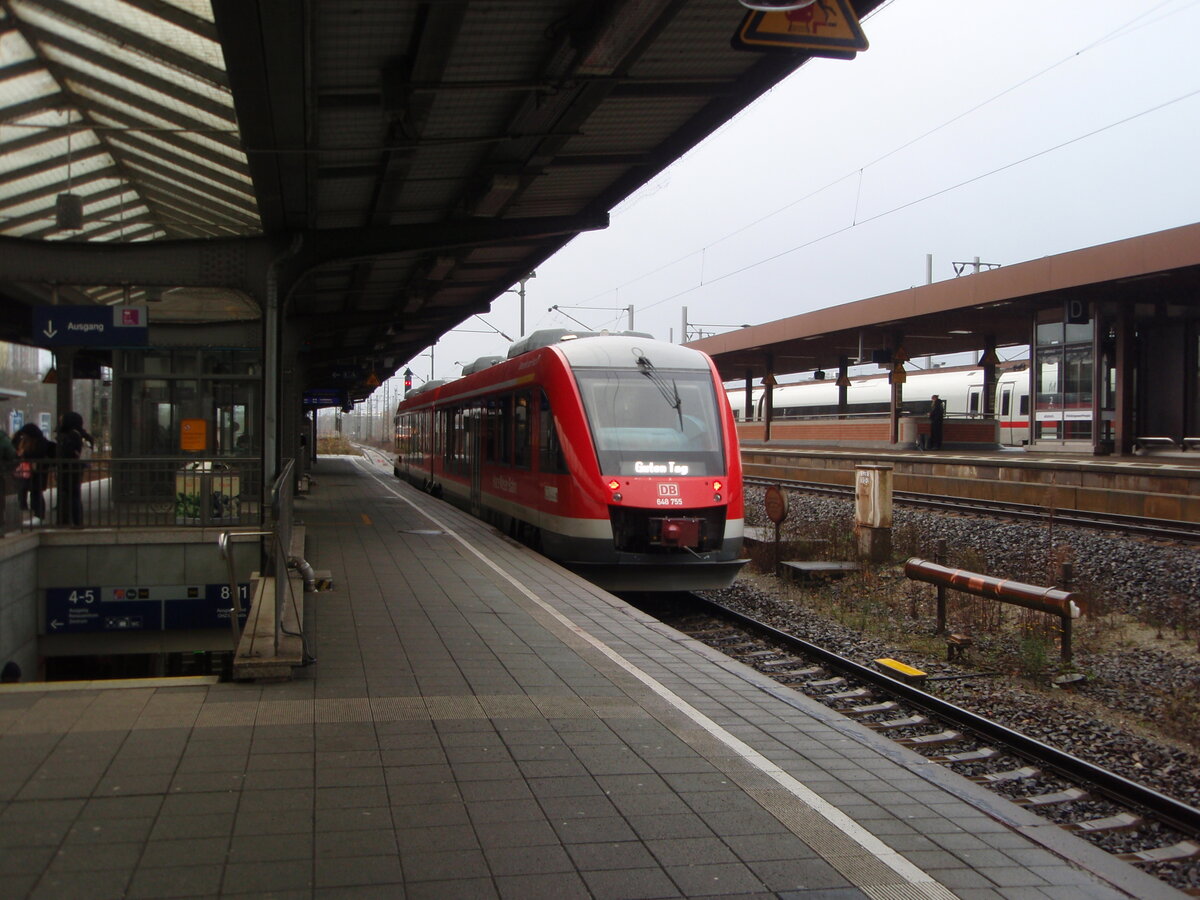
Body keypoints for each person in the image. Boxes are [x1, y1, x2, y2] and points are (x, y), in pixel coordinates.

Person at [55, 411, 94, 527]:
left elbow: (66, 452)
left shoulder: (72, 436)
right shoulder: (80, 434)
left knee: (72, 496)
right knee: (74, 495)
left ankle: (75, 521)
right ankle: (76, 521)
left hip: (70, 470)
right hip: (76, 470)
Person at [15, 422, 48, 522]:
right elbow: (15, 444)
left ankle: (39, 515)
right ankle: (32, 513)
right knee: (26, 491)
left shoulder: (41, 443)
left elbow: (38, 454)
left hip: (37, 471)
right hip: (27, 471)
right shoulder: (25, 441)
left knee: (36, 493)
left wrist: (24, 454)